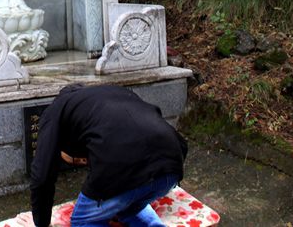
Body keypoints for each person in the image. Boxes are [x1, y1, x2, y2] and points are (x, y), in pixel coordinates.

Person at [17, 84, 187, 227]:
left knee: (83, 220)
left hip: (123, 165)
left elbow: (41, 177)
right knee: (128, 206)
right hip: (172, 163)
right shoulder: (116, 92)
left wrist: (41, 223)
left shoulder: (56, 109)